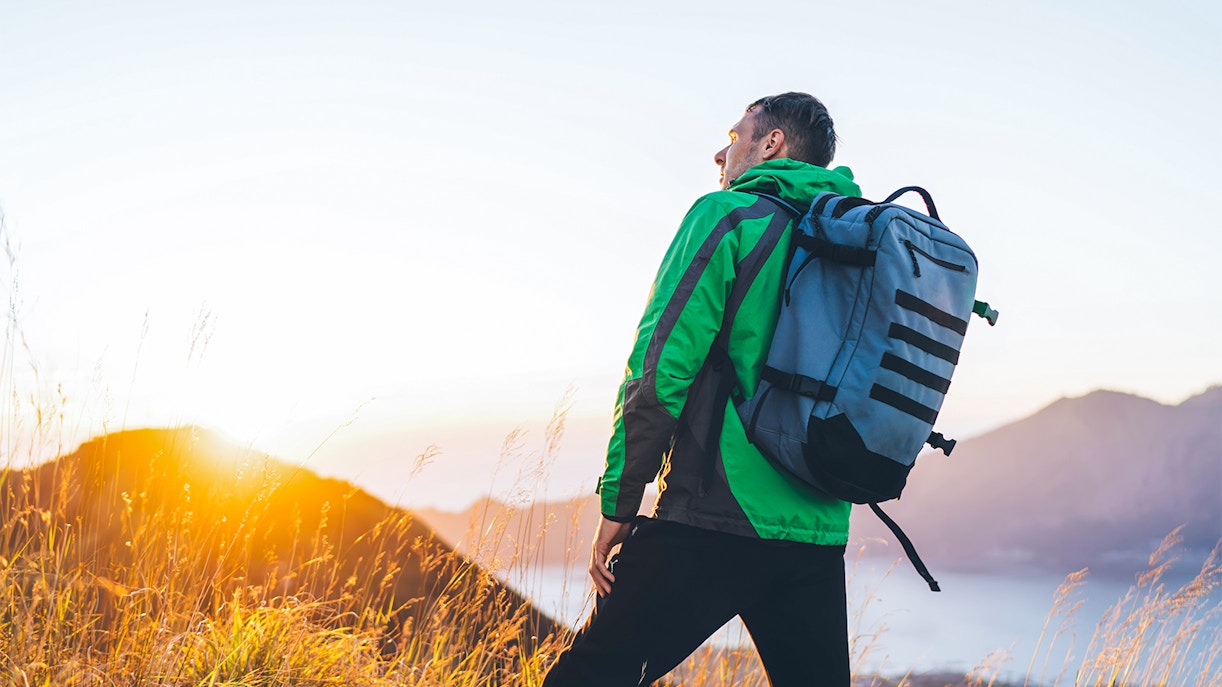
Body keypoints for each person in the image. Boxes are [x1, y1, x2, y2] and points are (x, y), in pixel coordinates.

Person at [542, 93, 861, 687]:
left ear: (772, 145)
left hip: (712, 516)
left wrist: (620, 499)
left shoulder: (728, 216)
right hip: (817, 531)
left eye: (736, 134)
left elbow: (659, 372)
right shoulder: (850, 246)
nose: (721, 150)